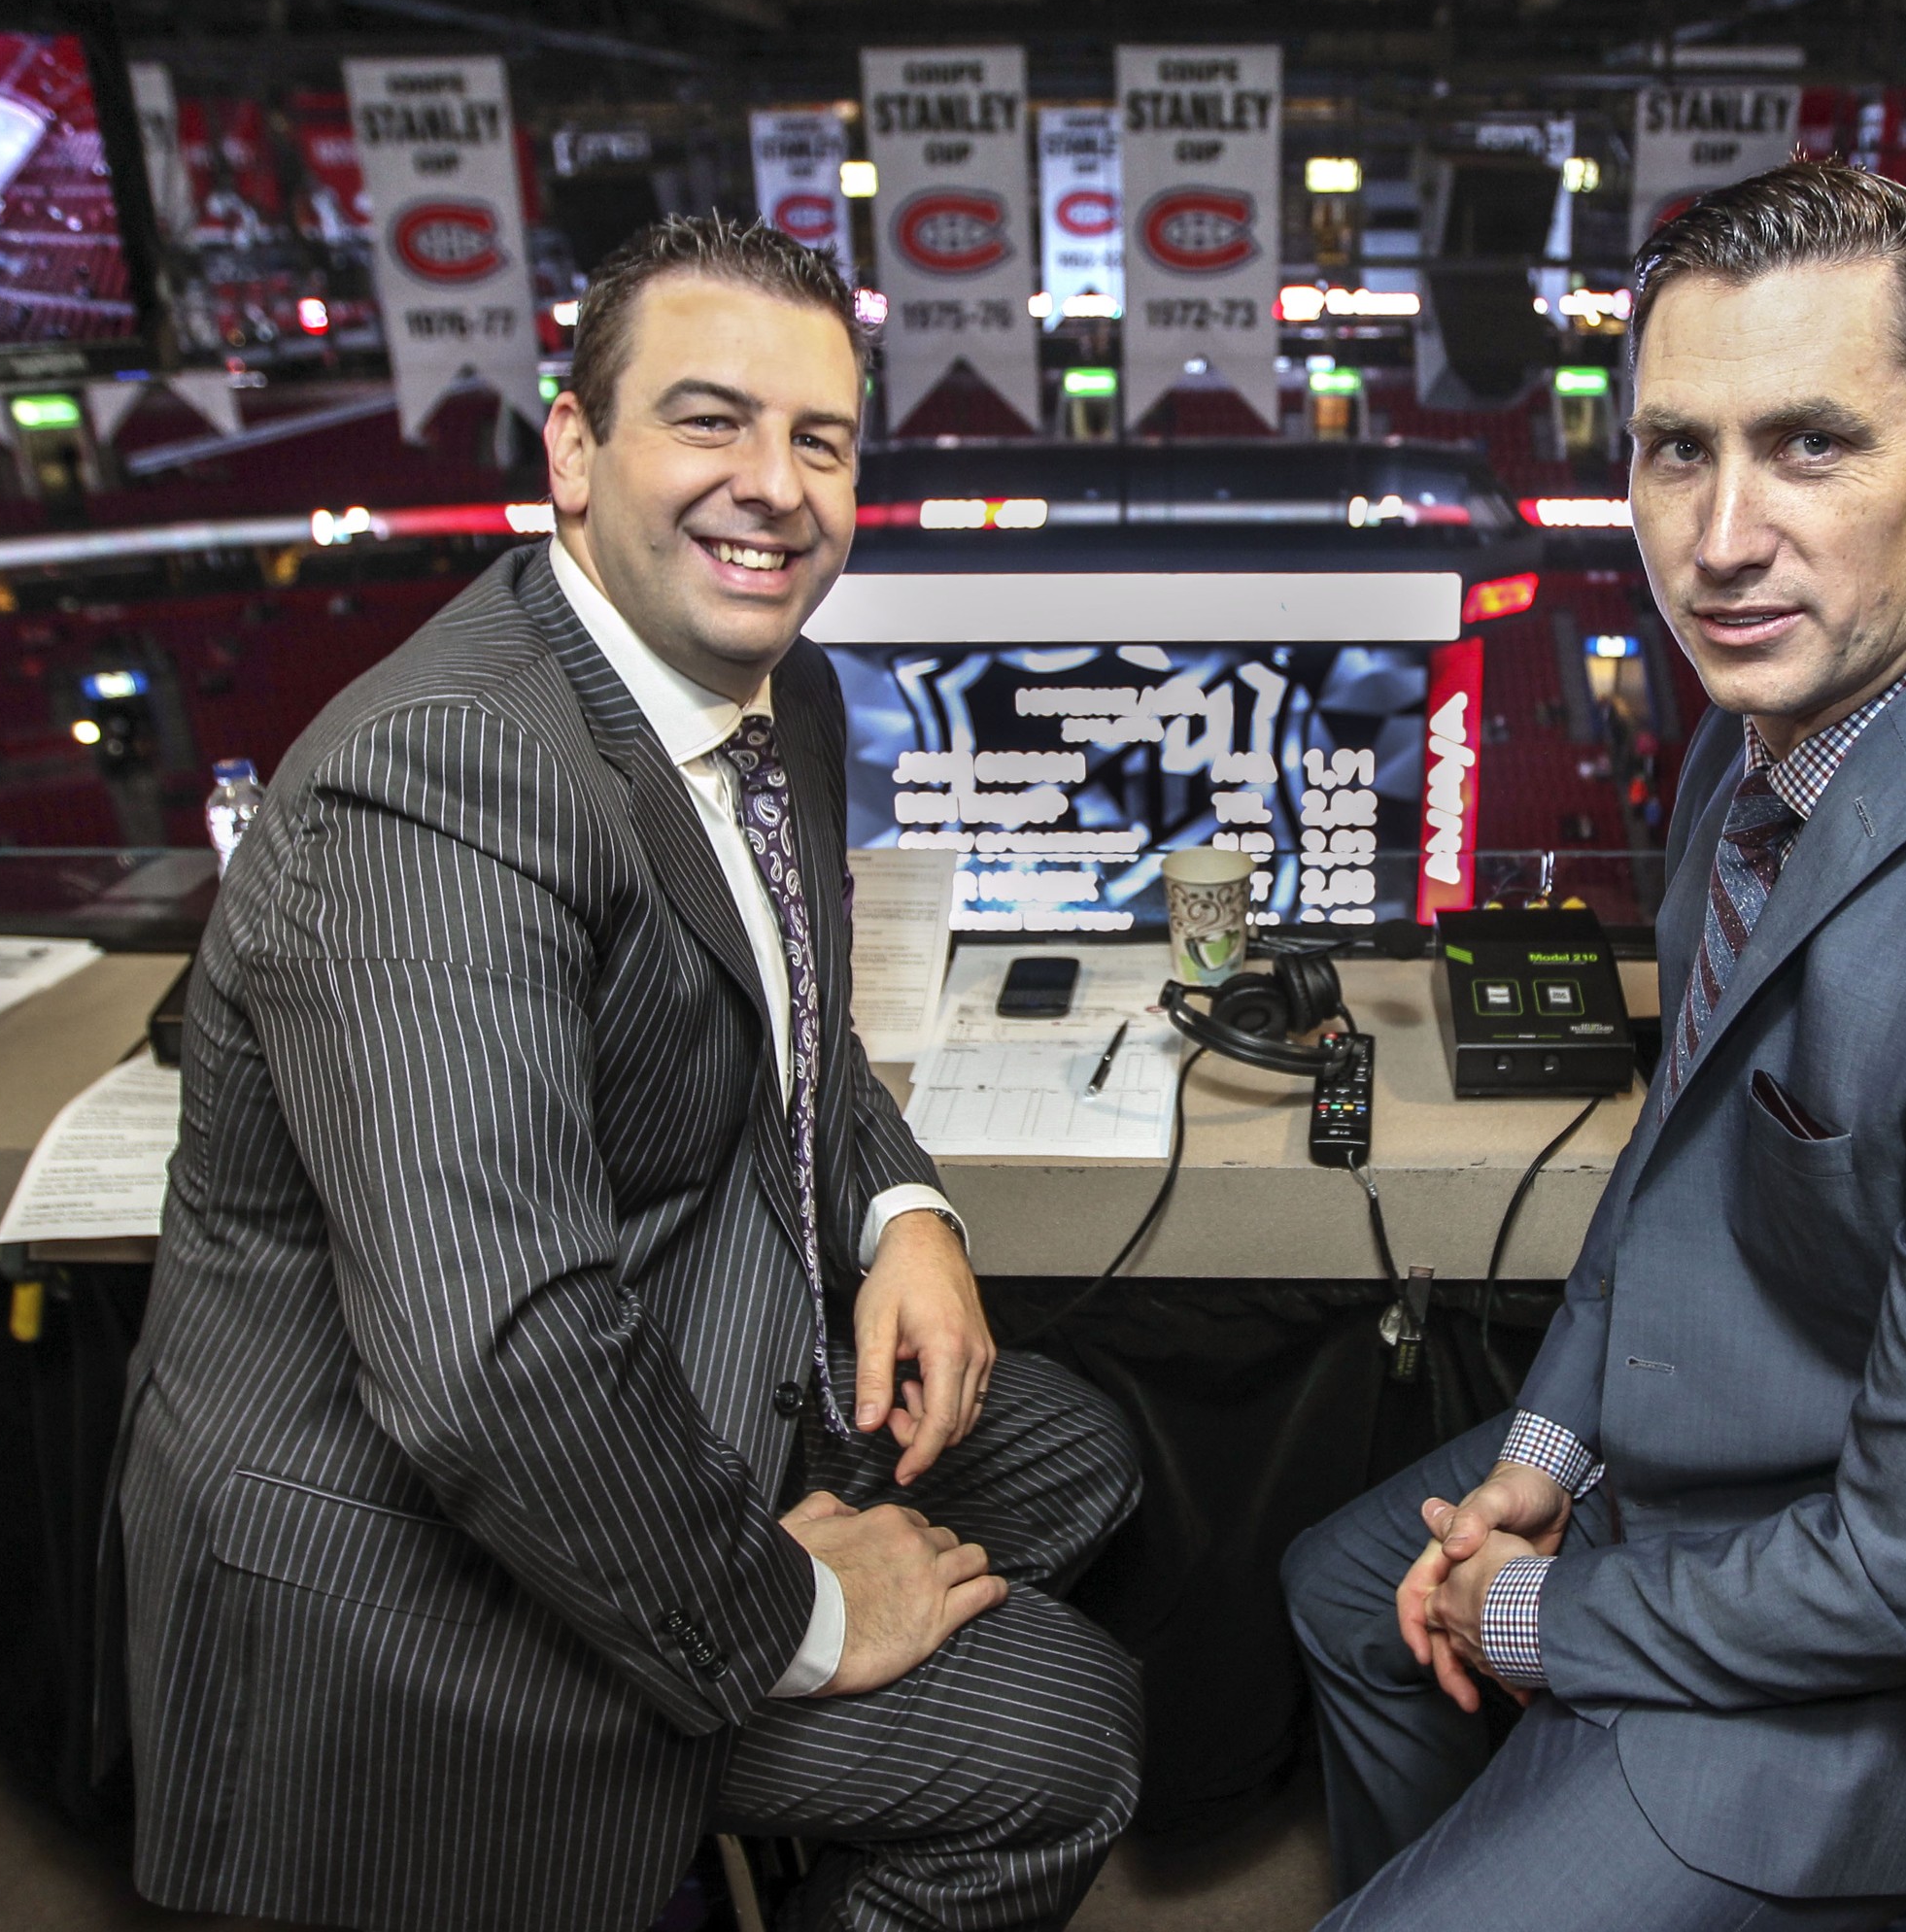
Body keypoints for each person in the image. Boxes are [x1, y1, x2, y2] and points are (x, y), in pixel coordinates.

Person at [1283, 161, 1906, 1930]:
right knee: (1337, 1588)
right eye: (1675, 450)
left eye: (1810, 446)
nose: (1719, 538)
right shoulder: (1764, 724)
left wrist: (1525, 1611)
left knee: (1439, 1644)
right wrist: (1545, 1454)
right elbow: (1678, 1154)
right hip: (1725, 1470)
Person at [107, 216, 1143, 1932]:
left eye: (821, 441)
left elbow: (791, 1024)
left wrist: (903, 1213)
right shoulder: (440, 781)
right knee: (1067, 1737)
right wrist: (803, 1616)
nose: (775, 487)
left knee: (1077, 1454)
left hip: (662, 1356)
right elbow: (497, 1365)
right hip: (415, 1569)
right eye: (709, 421)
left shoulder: (781, 692)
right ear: (574, 452)